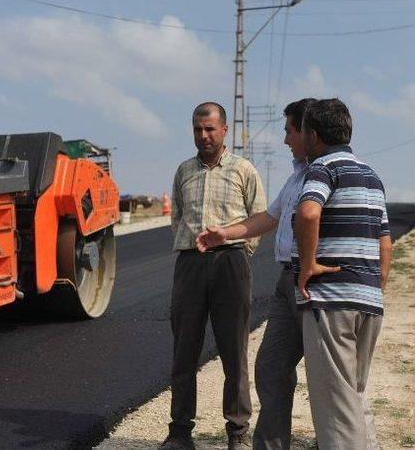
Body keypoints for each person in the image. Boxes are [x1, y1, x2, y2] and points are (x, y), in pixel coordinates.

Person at [196, 98, 311, 449]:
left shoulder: (326, 174)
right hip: (282, 280)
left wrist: (238, 250)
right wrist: (224, 233)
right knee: (271, 368)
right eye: (197, 129)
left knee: (327, 377)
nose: (284, 139)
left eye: (289, 131)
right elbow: (269, 217)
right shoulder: (296, 177)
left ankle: (339, 440)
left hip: (311, 284)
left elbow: (279, 217)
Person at [163, 102, 266, 450]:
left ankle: (237, 433)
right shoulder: (183, 171)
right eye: (197, 129)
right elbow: (176, 218)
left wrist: (239, 253)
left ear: (224, 130)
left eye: (209, 129)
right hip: (190, 266)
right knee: (184, 352)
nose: (203, 135)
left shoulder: (243, 170)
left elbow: (259, 218)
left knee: (233, 352)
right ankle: (179, 433)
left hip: (230, 265)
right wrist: (191, 251)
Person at [293, 98, 391, 449]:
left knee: (335, 409)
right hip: (368, 302)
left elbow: (307, 213)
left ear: (314, 135)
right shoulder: (372, 176)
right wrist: (374, 285)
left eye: (302, 131)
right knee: (354, 396)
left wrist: (307, 265)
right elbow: (385, 241)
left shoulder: (322, 169)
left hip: (332, 302)